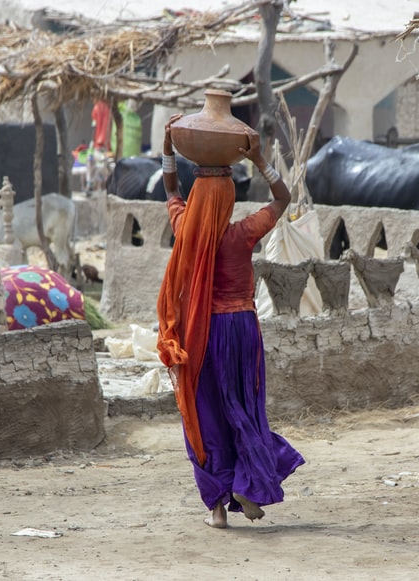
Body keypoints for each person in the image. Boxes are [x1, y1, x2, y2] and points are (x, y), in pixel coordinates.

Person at [156, 114, 305, 529]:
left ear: (199, 200)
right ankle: (247, 482)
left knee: (204, 414)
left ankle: (218, 510)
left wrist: (169, 150)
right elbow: (282, 198)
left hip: (201, 334)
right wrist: (260, 159)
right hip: (240, 331)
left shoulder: (184, 227)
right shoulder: (243, 233)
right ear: (228, 202)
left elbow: (171, 188)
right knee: (243, 408)